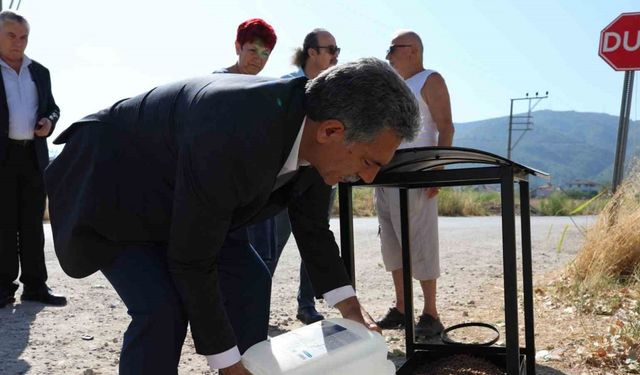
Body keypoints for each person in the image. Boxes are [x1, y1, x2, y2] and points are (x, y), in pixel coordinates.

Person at [45, 58, 420, 374]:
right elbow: (193, 260)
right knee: (162, 307)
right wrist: (228, 365)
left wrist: (351, 309)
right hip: (119, 190)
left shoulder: (319, 134)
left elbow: (312, 227)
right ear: (332, 131)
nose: (370, 177)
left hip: (192, 196)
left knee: (249, 278)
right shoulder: (237, 131)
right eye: (370, 162)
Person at [252, 28, 341, 325]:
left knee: (313, 238)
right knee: (272, 244)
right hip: (285, 179)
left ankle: (307, 306)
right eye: (331, 49)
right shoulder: (286, 86)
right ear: (311, 52)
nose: (336, 56)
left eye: (337, 51)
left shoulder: (336, 91)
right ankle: (256, 305)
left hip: (319, 179)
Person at [375, 30, 454, 338]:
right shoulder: (395, 86)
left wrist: (438, 170)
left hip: (418, 168)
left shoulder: (430, 80)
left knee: (420, 240)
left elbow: (446, 127)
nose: (388, 54)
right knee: (392, 241)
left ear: (412, 50)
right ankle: (402, 308)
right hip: (387, 170)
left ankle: (431, 312)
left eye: (392, 48)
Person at [0, 10, 65, 308]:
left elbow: (53, 108)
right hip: (3, 158)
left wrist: (49, 121)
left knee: (31, 224)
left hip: (33, 157)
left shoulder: (40, 71)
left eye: (23, 37)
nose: (18, 43)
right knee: (3, 223)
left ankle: (35, 287)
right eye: (11, 35)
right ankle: (2, 288)